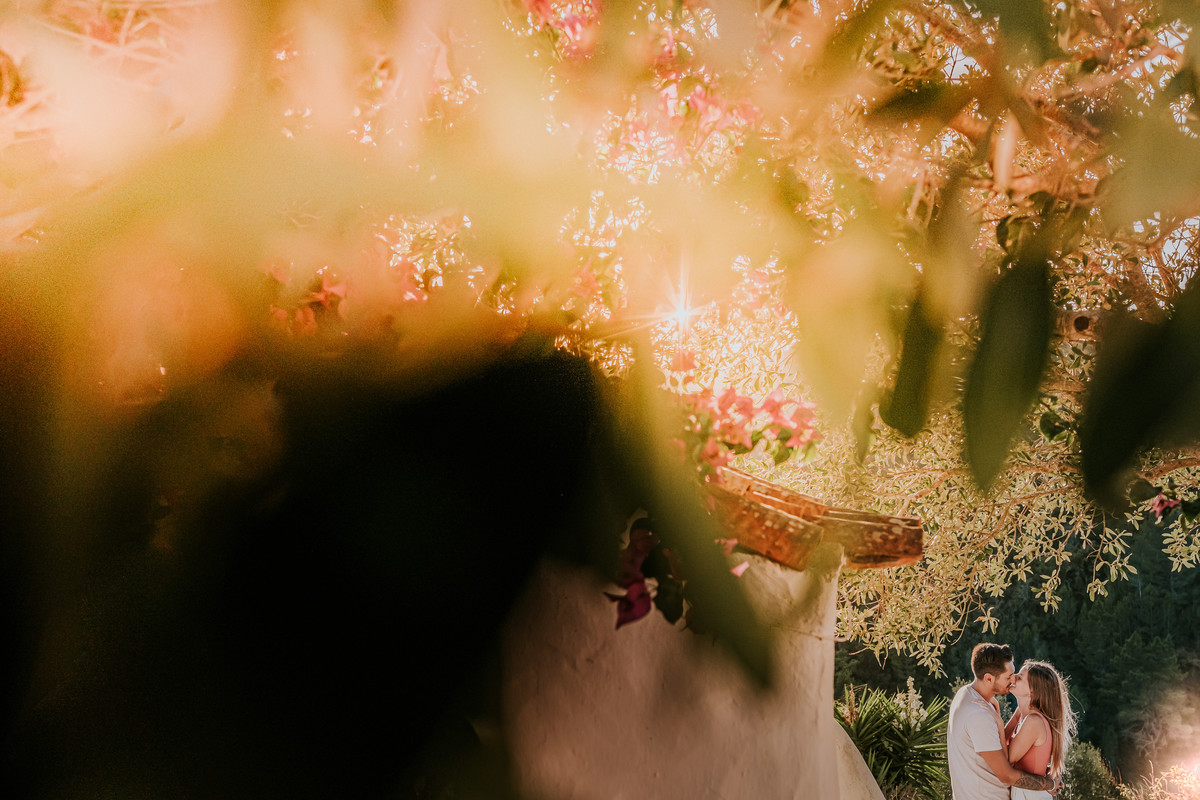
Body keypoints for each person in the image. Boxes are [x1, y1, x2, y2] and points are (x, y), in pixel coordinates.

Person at [947, 643, 1058, 799]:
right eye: (1009, 676)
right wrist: (1050, 784)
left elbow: (1003, 750)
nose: (1012, 679)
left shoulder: (966, 695)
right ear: (989, 678)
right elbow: (1007, 774)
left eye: (1016, 675)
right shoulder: (979, 714)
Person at [1004, 661, 1076, 800]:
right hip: (1026, 792)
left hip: (1030, 794)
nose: (1013, 678)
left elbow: (1005, 759)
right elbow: (1002, 739)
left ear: (1033, 690)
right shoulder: (1024, 714)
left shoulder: (1034, 721)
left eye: (1019, 678)